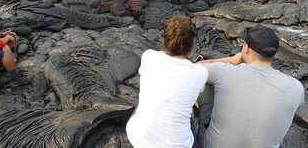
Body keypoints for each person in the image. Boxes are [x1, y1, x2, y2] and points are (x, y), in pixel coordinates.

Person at [197, 24, 305, 148]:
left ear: (246, 48)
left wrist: (231, 60)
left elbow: (195, 69)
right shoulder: (296, 87)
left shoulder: (224, 71)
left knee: (207, 83)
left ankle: (203, 126)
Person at [126, 15, 208, 148]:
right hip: (178, 145)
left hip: (139, 138)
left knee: (143, 105)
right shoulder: (200, 72)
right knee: (190, 111)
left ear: (165, 39)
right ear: (191, 44)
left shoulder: (149, 56)